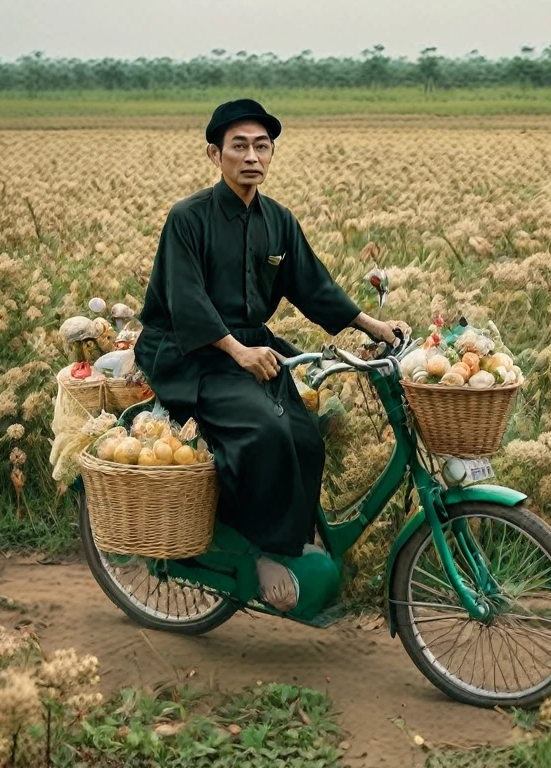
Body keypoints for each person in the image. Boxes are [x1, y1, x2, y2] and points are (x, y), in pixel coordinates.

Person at [135, 98, 408, 612]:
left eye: (262, 146)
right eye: (239, 146)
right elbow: (186, 301)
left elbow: (313, 286)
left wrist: (375, 326)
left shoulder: (278, 221)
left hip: (249, 345)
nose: (252, 156)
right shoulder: (187, 218)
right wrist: (237, 351)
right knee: (263, 430)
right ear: (214, 154)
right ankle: (259, 551)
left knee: (304, 435)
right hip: (187, 351)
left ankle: (292, 543)